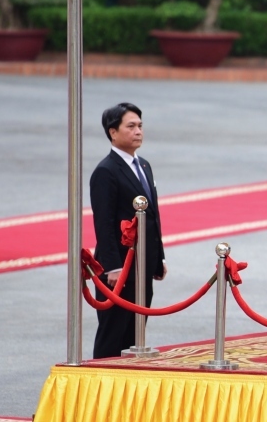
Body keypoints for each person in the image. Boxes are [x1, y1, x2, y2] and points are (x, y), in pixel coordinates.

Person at [90, 102, 166, 359]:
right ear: (113, 132)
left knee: (136, 335)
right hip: (119, 269)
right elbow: (103, 223)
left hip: (142, 264)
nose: (138, 132)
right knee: (113, 333)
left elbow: (152, 216)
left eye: (140, 126)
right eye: (131, 126)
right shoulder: (105, 171)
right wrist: (112, 266)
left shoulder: (143, 165)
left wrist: (159, 258)